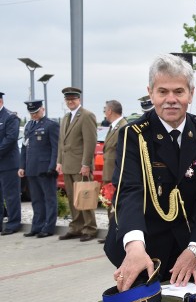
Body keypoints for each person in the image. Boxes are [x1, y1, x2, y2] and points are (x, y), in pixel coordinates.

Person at [104, 54, 196, 291]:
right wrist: (135, 247)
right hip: (142, 246)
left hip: (188, 247)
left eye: (178, 92)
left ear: (190, 93)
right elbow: (129, 191)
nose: (171, 100)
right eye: (162, 92)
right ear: (151, 93)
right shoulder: (134, 135)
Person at [56, 87, 98, 242]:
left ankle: (90, 228)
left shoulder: (86, 115)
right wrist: (59, 161)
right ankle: (76, 227)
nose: (70, 102)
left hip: (81, 166)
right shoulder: (66, 117)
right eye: (68, 99)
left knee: (85, 196)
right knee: (73, 198)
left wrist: (86, 164)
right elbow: (62, 142)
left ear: (79, 99)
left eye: (73, 99)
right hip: (68, 164)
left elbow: (90, 141)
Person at [18, 100, 59, 238]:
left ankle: (48, 227)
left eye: (36, 112)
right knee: (36, 199)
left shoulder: (51, 125)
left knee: (49, 198)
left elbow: (55, 147)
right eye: (31, 113)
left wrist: (52, 166)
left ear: (43, 109)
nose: (34, 115)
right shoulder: (29, 125)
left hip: (45, 168)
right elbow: (25, 147)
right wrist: (22, 166)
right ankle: (37, 226)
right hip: (31, 168)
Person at [98, 100, 127, 243]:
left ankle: (116, 234)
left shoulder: (123, 127)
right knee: (109, 204)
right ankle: (111, 233)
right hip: (109, 174)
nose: (104, 113)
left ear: (110, 111)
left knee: (116, 206)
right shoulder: (113, 127)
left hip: (117, 175)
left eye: (105, 110)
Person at [0, 92, 21, 235]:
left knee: (11, 195)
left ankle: (13, 224)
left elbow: (10, 138)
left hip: (8, 163)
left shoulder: (10, 117)